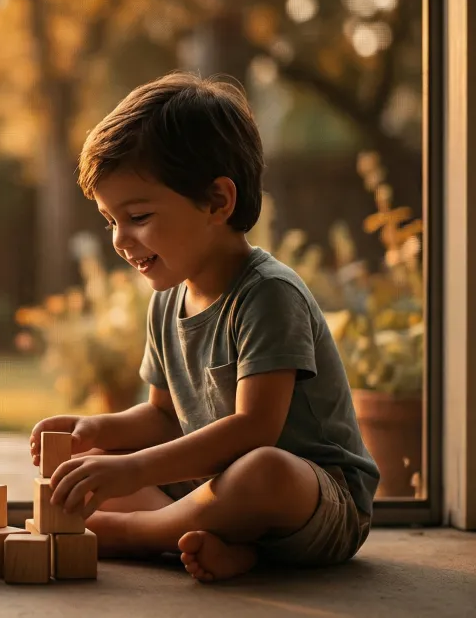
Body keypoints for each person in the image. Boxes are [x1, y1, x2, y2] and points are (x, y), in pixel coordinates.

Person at [29, 71, 380, 582]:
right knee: (93, 470)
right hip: (214, 492)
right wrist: (95, 432)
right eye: (109, 221)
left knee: (264, 470)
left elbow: (256, 429)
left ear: (217, 201)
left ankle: (140, 536)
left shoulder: (268, 294)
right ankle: (224, 546)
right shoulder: (167, 298)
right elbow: (164, 417)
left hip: (315, 503)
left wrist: (133, 470)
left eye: (139, 215)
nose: (121, 241)